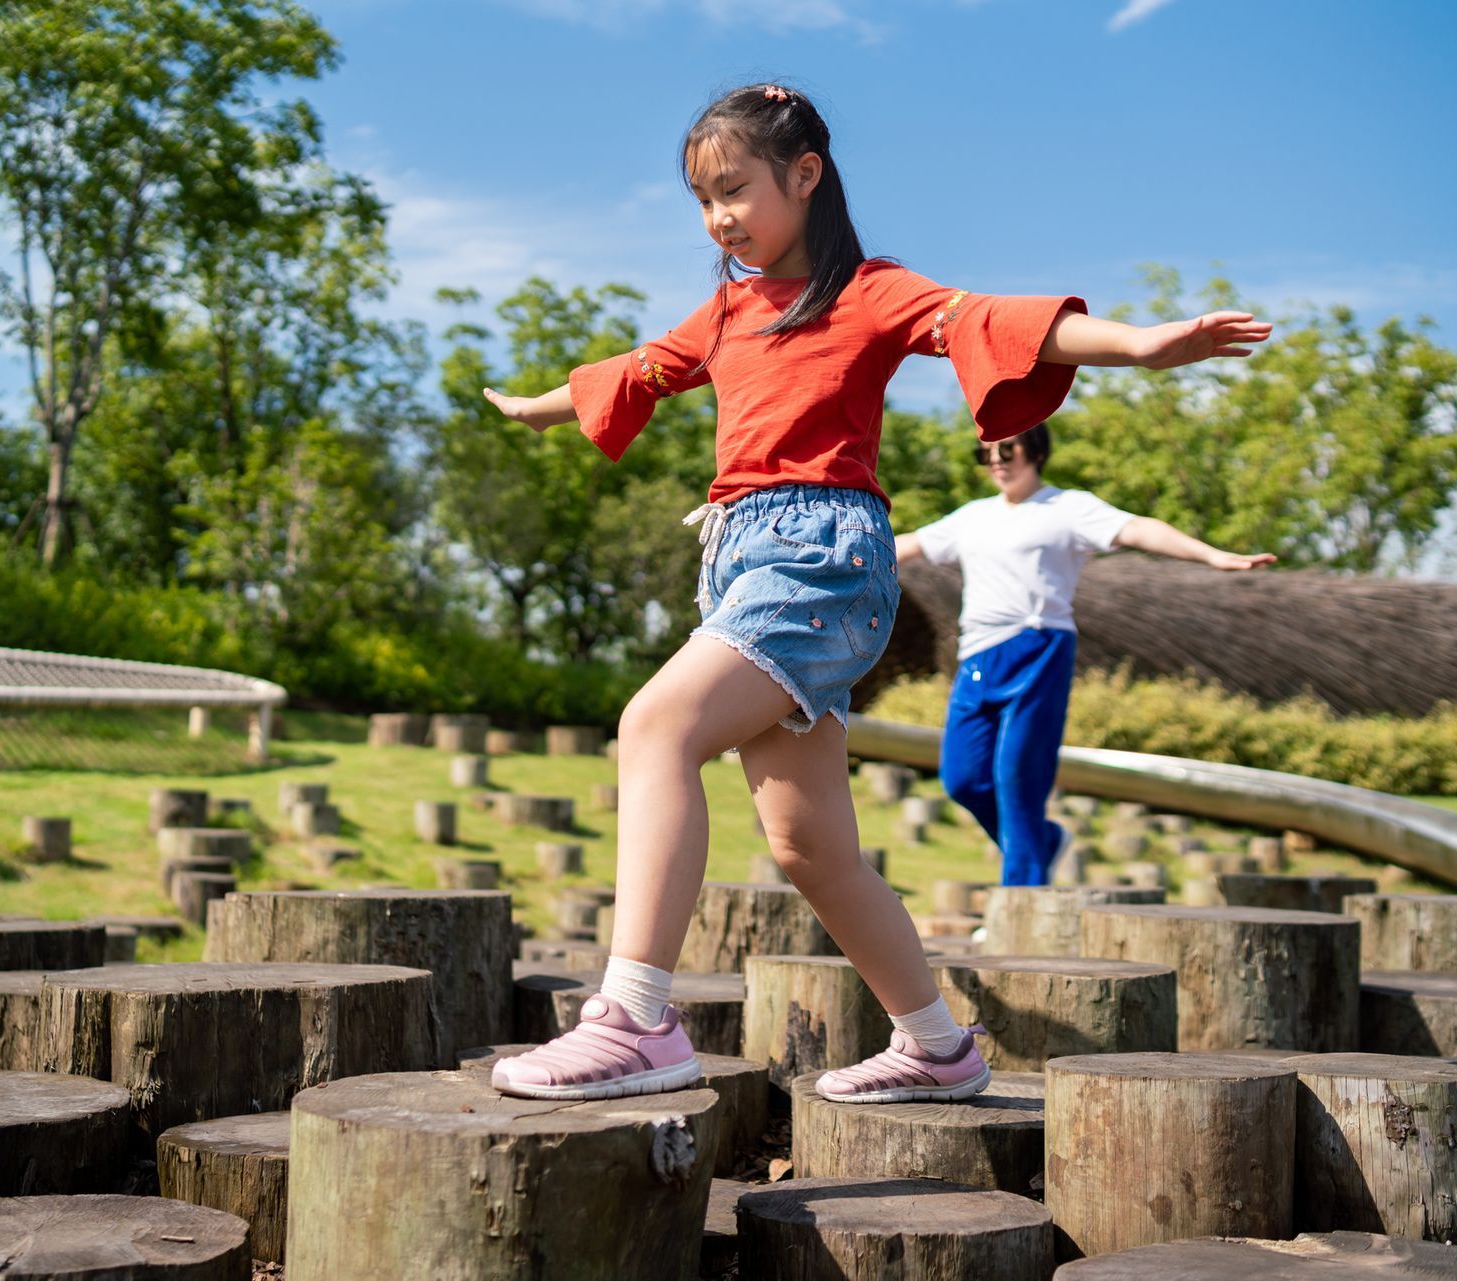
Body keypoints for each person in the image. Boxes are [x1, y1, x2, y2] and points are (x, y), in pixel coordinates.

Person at [478, 82, 1271, 1104]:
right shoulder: (727, 311)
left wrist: (1144, 344)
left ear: (805, 176)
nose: (719, 218)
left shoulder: (866, 292)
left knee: (656, 728)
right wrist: (543, 410)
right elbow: (642, 370)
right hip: (746, 559)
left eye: (736, 190)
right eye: (702, 201)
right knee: (810, 845)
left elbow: (989, 323)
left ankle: (635, 1019)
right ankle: (939, 1046)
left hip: (819, 559)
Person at [897, 425, 1276, 888]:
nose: (996, 460)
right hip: (977, 655)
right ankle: (1042, 841)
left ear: (1035, 451)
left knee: (1018, 780)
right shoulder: (973, 516)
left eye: (1006, 449)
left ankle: (1022, 898)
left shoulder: (1067, 507)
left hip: (1038, 648)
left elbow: (1138, 528)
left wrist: (1211, 556)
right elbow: (908, 545)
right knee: (962, 779)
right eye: (986, 454)